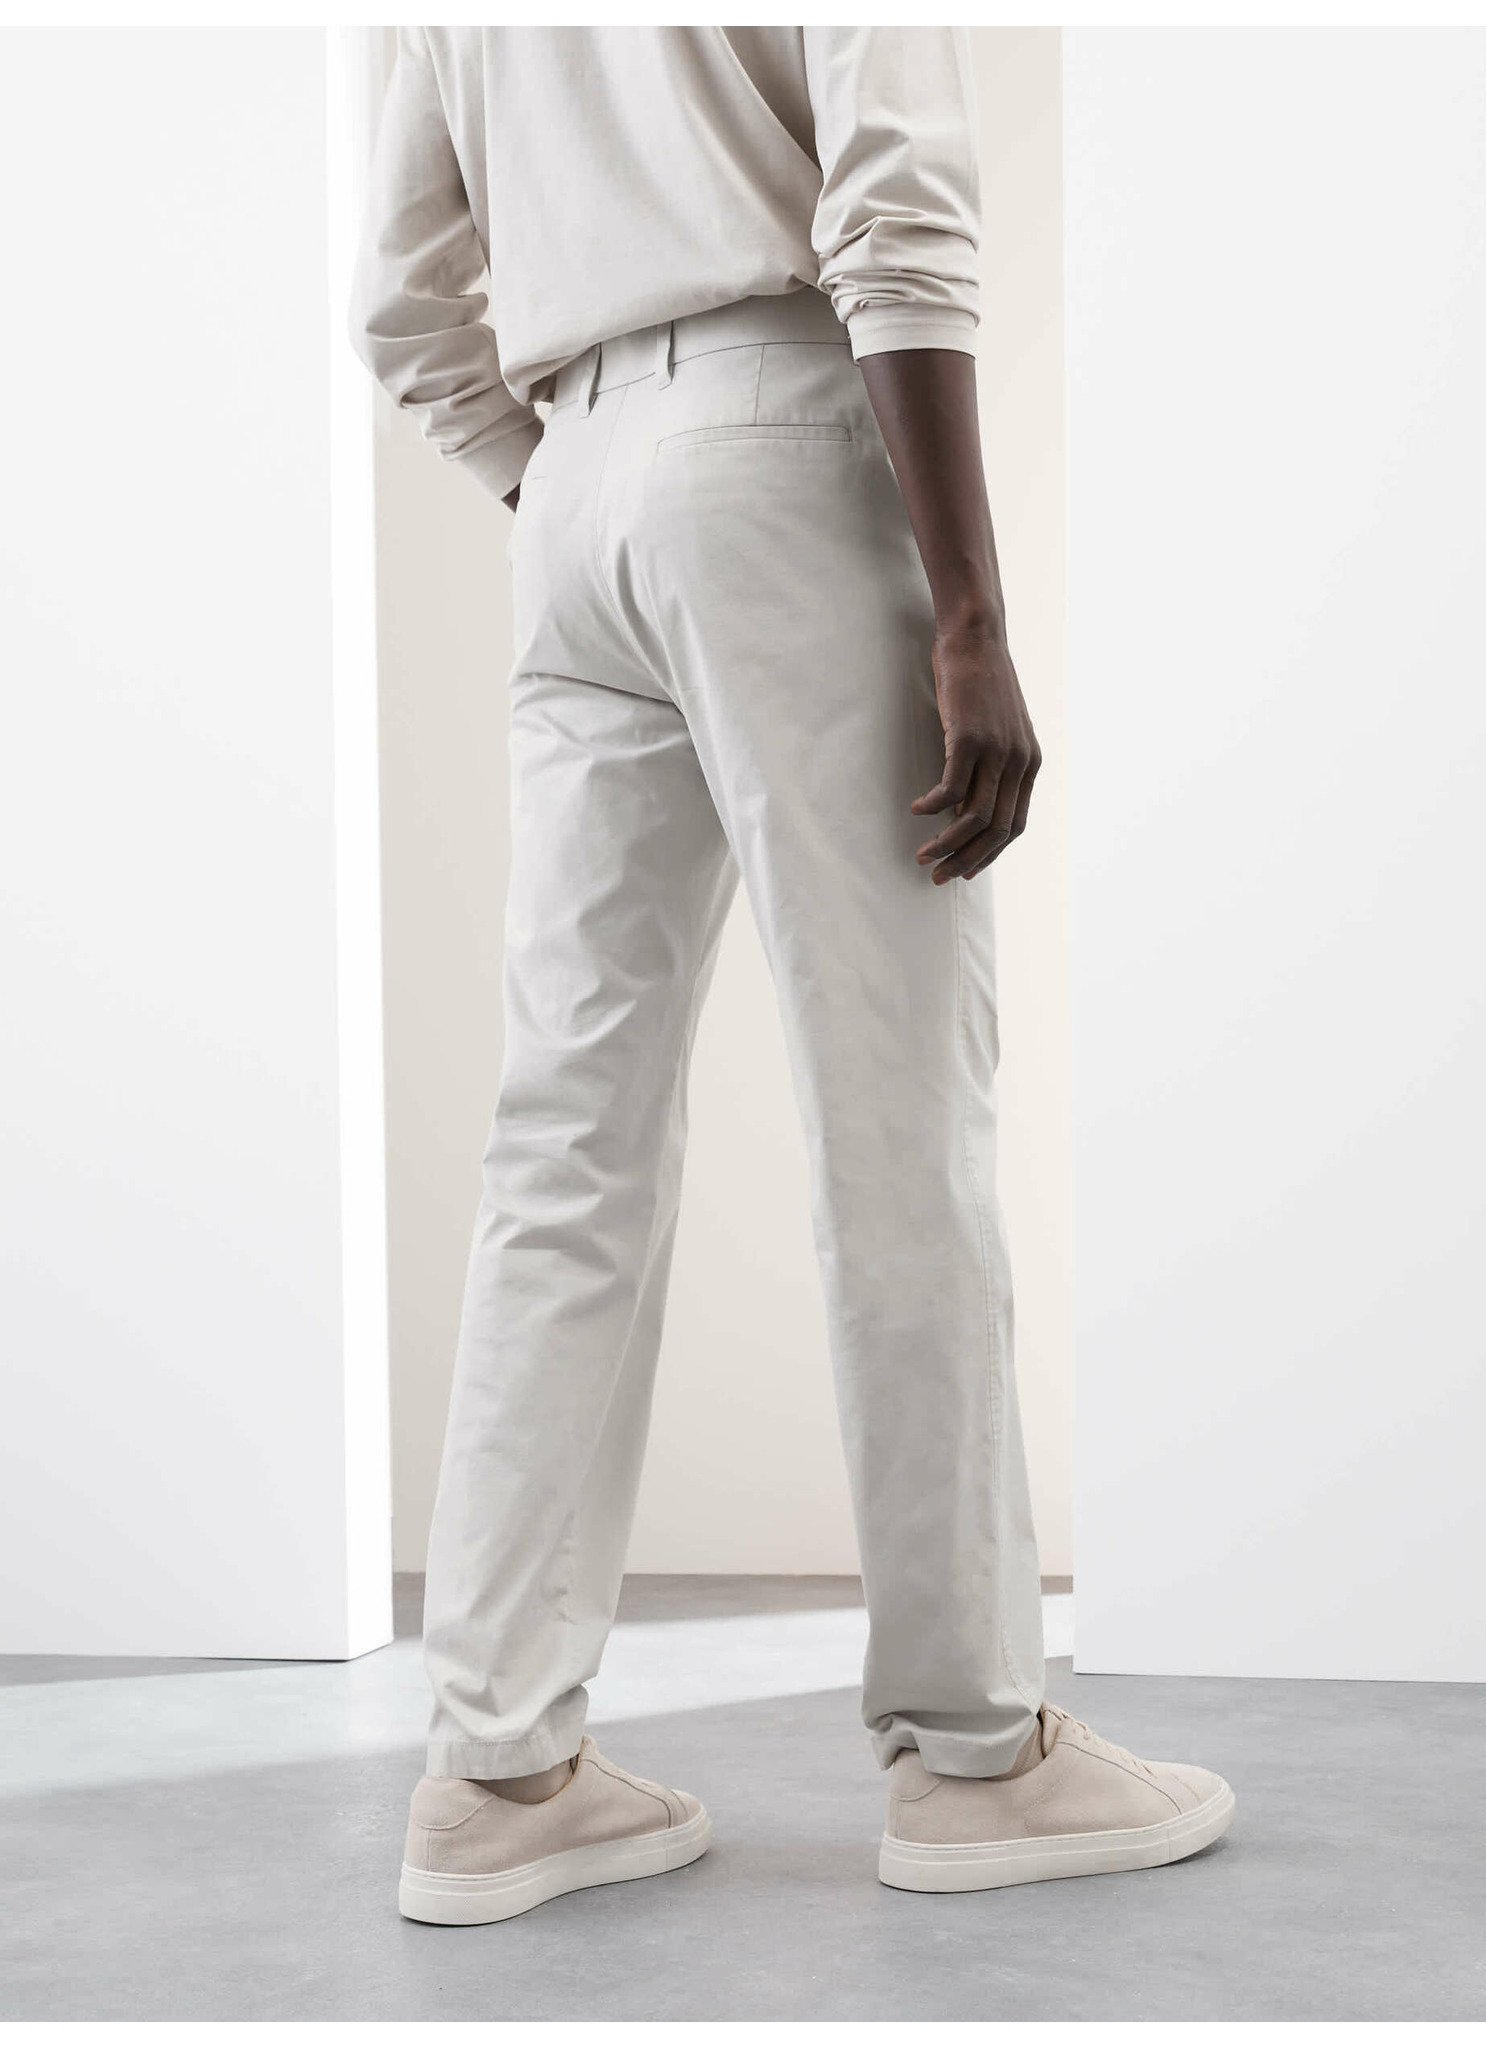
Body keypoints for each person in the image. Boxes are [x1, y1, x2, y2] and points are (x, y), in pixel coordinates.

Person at [351, 26, 1233, 1926]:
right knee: (894, 1123)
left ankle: (495, 1774)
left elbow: (401, 300)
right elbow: (894, 214)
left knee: (563, 1151)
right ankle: (978, 1756)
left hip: (572, 500)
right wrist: (971, 615)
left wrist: (572, 481)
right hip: (779, 446)